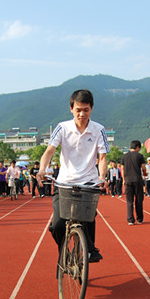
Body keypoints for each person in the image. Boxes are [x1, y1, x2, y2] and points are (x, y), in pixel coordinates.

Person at [37, 89, 109, 263]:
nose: (82, 114)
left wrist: (102, 176)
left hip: (88, 182)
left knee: (88, 217)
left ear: (91, 108)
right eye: (78, 110)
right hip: (64, 183)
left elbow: (102, 157)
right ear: (71, 109)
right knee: (57, 225)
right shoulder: (63, 128)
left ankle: (90, 249)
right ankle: (64, 253)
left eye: (86, 110)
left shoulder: (99, 130)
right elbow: (50, 151)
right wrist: (42, 169)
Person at [120, 140, 147, 225]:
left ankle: (130, 220)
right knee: (139, 200)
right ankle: (139, 219)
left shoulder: (124, 156)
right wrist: (145, 173)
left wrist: (124, 179)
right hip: (137, 180)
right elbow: (143, 167)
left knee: (129, 201)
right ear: (138, 147)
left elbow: (122, 169)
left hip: (128, 180)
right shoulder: (140, 156)